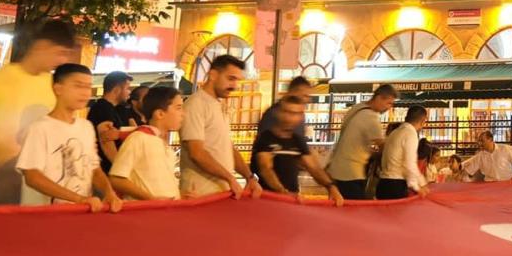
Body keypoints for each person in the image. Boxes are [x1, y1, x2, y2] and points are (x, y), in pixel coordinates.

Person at [0, 18, 77, 205]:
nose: (63, 60)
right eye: (60, 53)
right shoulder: (0, 81)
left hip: (29, 189)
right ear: (41, 46)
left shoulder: (52, 88)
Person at [16, 64, 123, 212]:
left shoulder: (86, 127)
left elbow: (94, 169)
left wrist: (109, 193)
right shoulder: (40, 128)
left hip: (80, 213)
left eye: (88, 87)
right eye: (78, 86)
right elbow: (32, 177)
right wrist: (79, 199)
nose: (85, 93)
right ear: (58, 88)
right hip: (45, 215)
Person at [179, 54, 260, 200]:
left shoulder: (218, 105)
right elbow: (196, 152)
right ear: (213, 75)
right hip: (199, 195)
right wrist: (230, 178)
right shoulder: (195, 105)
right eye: (231, 78)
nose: (235, 86)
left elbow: (227, 147)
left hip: (221, 192)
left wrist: (249, 177)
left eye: (237, 80)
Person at [251, 95, 347, 205]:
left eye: (297, 113)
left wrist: (331, 187)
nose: (291, 118)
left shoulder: (297, 141)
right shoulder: (266, 138)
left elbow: (314, 168)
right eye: (288, 112)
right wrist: (282, 192)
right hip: (267, 200)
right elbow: (266, 169)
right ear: (279, 113)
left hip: (291, 200)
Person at [109, 85, 184, 201]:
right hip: (145, 213)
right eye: (178, 108)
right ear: (160, 114)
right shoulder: (138, 138)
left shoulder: (169, 144)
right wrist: (151, 199)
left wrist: (180, 195)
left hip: (166, 212)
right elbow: (117, 179)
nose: (183, 114)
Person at [325, 83, 396, 200]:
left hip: (336, 169)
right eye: (389, 103)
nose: (389, 107)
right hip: (351, 173)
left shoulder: (357, 108)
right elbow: (383, 147)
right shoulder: (371, 118)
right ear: (379, 98)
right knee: (357, 211)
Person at [377, 105, 429, 199]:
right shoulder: (410, 134)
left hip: (383, 183)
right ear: (423, 121)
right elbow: (409, 163)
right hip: (395, 186)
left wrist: (421, 182)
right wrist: (417, 186)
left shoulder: (395, 132)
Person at [87, 70, 134, 173]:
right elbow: (107, 142)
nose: (129, 92)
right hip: (106, 171)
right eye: (127, 88)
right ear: (117, 90)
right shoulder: (103, 108)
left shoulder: (113, 109)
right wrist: (120, 168)